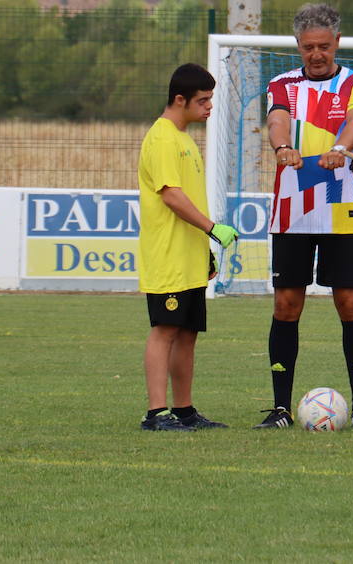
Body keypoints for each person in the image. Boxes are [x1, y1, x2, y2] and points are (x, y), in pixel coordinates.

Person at [256, 3, 353, 429]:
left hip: (343, 207)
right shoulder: (282, 84)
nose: (316, 54)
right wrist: (281, 148)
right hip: (292, 211)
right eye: (308, 47)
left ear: (337, 43)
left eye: (324, 46)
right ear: (298, 47)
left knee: (351, 303)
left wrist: (341, 150)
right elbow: (277, 120)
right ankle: (281, 409)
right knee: (287, 305)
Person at [136, 62, 239, 432]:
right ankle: (155, 413)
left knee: (188, 332)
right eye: (203, 100)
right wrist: (213, 229)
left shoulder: (183, 137)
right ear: (180, 99)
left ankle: (184, 410)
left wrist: (205, 250)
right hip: (167, 256)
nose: (210, 106)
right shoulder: (162, 138)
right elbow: (171, 196)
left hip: (190, 256)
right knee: (165, 329)